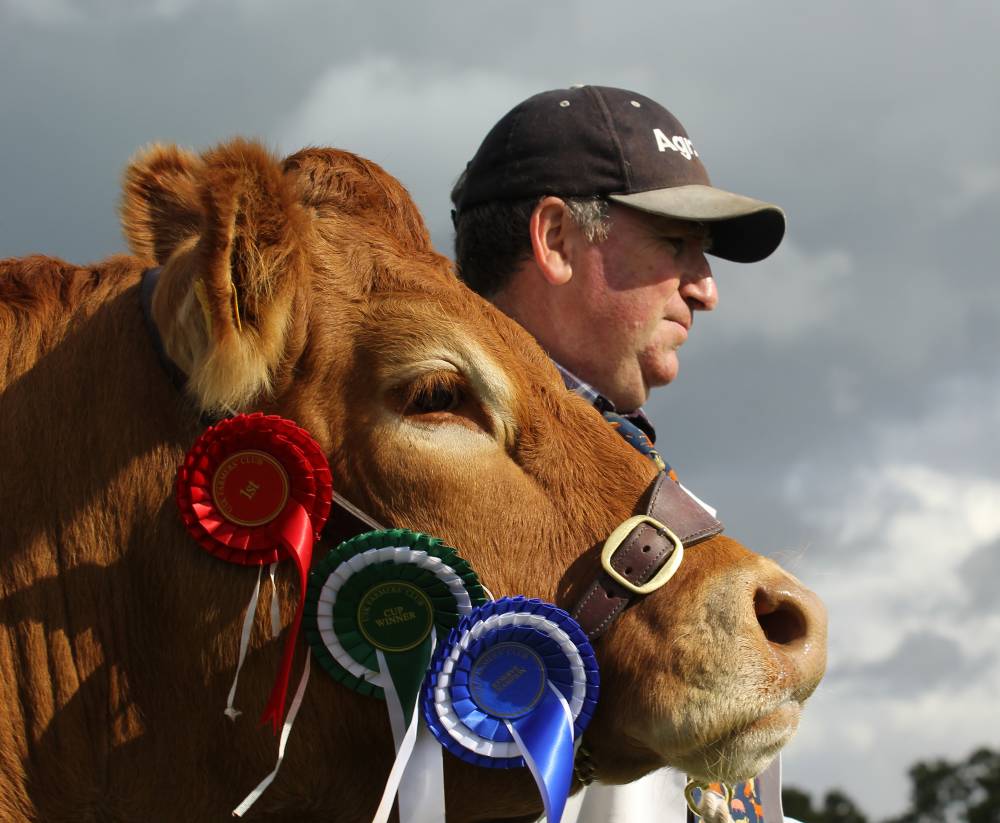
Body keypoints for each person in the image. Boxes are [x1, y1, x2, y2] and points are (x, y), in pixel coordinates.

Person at [450, 85, 791, 823]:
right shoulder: (417, 494)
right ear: (556, 240)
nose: (705, 289)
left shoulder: (642, 478)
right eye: (676, 242)